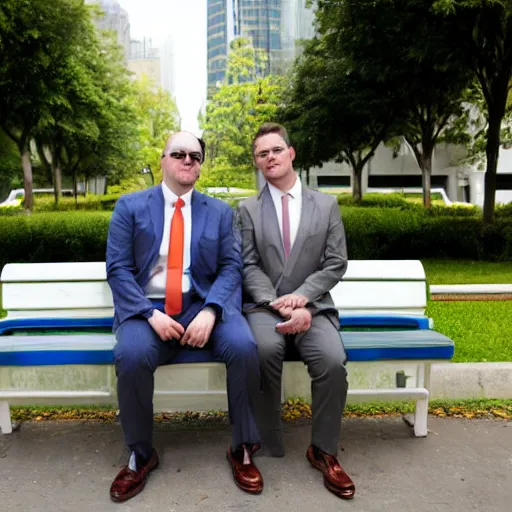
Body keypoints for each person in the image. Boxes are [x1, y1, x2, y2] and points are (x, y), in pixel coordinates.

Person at [106, 131, 263, 502]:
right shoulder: (130, 207)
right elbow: (118, 270)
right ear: (162, 160)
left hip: (203, 306)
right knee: (130, 355)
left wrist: (212, 310)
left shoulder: (221, 212)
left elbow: (230, 267)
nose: (188, 160)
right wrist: (148, 314)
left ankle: (242, 447)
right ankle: (141, 454)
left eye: (195, 155)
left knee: (243, 346)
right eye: (178, 153)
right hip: (149, 310)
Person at [237, 122, 355, 499]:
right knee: (263, 350)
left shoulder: (326, 204)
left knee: (333, 360)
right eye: (261, 154)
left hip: (314, 308)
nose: (269, 157)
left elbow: (336, 263)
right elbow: (248, 264)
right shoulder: (247, 209)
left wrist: (303, 298)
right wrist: (276, 302)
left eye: (276, 150)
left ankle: (323, 450)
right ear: (257, 163)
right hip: (264, 306)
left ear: (291, 153)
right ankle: (263, 438)